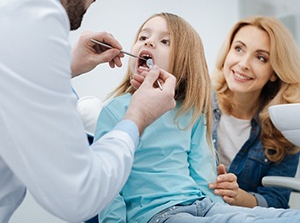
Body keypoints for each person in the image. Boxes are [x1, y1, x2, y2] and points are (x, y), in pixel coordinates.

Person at [0, 0, 176, 222]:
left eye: (165, 41)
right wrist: (137, 117)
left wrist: (65, 66)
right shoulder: (29, 9)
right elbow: (77, 195)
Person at [94, 12, 300, 223]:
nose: (150, 43)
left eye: (165, 41)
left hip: (202, 205)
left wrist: (230, 210)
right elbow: (108, 187)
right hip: (159, 215)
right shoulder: (115, 111)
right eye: (143, 37)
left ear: (184, 64)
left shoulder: (190, 112)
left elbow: (205, 181)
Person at [209, 16, 300, 208]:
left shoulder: (284, 129)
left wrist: (238, 196)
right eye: (238, 49)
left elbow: (277, 200)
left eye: (261, 57)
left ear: (275, 71)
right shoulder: (196, 106)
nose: (243, 64)